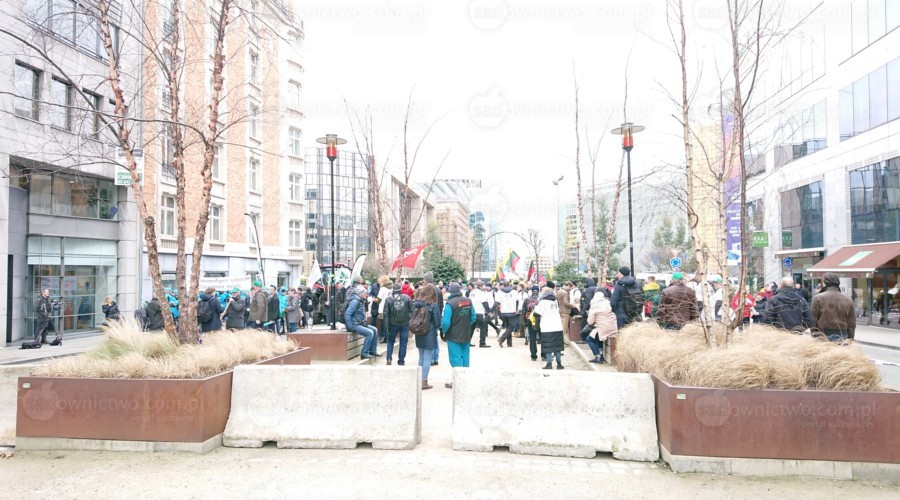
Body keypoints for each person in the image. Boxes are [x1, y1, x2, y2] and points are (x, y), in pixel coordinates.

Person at [441, 283, 477, 388]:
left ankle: (458, 381)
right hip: (466, 333)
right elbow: (473, 317)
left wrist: (444, 331)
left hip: (453, 335)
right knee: (465, 356)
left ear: (450, 291)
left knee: (455, 358)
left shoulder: (450, 304)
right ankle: (465, 379)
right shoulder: (468, 301)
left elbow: (446, 322)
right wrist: (466, 326)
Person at [811, 273, 856, 342]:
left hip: (822, 335)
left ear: (824, 283)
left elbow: (812, 319)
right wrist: (850, 338)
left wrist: (813, 334)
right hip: (842, 335)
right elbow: (852, 323)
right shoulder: (848, 300)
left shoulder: (817, 298)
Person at [413, 283, 441, 390]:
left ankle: (418, 379)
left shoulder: (417, 304)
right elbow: (437, 322)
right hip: (429, 333)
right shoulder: (433, 306)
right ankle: (424, 381)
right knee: (428, 358)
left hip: (419, 332)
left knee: (421, 357)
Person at [533, 284, 564, 370]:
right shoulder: (555, 301)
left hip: (547, 327)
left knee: (548, 347)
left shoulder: (542, 302)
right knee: (557, 347)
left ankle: (549, 364)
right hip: (557, 326)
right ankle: (559, 364)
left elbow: (537, 314)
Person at [345, 285, 380, 359]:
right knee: (370, 333)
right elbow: (347, 314)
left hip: (360, 323)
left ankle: (372, 351)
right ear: (361, 294)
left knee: (374, 329)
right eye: (365, 293)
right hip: (355, 324)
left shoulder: (360, 300)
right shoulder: (355, 301)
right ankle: (364, 353)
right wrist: (350, 326)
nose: (366, 295)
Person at [583, 289, 617, 363]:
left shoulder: (594, 306)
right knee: (598, 337)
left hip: (602, 327)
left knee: (589, 339)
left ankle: (598, 356)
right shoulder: (608, 303)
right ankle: (601, 355)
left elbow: (590, 322)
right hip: (613, 327)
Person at [383, 282, 412, 366]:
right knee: (403, 342)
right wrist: (409, 321)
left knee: (390, 341)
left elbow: (386, 314)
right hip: (404, 324)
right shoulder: (406, 298)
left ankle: (389, 358)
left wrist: (386, 326)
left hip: (393, 324)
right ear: (400, 290)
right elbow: (412, 310)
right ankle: (401, 360)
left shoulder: (388, 299)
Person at [421, 272, 444, 365]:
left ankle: (431, 358)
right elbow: (441, 305)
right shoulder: (438, 290)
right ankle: (435, 358)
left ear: (426, 280)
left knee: (429, 339)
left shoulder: (425, 290)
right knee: (435, 337)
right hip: (436, 315)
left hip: (428, 316)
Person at [496, 280, 520, 348]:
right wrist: (517, 309)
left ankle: (509, 343)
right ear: (509, 284)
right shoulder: (514, 292)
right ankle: (502, 339)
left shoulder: (500, 292)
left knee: (508, 328)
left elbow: (497, 302)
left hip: (503, 312)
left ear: (503, 285)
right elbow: (517, 301)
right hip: (512, 311)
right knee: (511, 327)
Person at [470, 281, 493, 348]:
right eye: (484, 286)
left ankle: (467, 342)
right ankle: (482, 343)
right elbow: (485, 303)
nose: (485, 287)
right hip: (479, 312)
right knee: (483, 327)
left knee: (471, 328)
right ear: (481, 286)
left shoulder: (472, 292)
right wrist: (489, 312)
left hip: (472, 312)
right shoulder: (481, 293)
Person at [524, 285, 542, 361]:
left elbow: (524, 311)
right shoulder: (541, 299)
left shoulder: (527, 299)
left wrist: (525, 322)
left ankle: (533, 356)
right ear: (538, 291)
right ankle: (544, 355)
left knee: (532, 338)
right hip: (540, 319)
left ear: (531, 291)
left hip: (530, 320)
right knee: (542, 337)